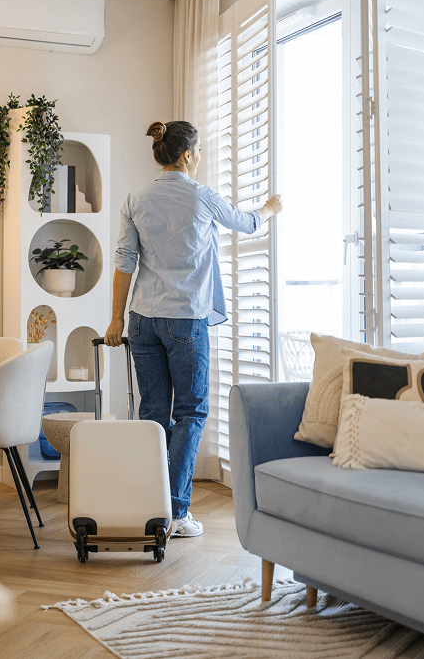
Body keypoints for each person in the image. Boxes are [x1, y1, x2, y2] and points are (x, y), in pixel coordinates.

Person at [105, 120, 283, 537]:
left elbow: (124, 263)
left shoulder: (136, 198)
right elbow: (249, 223)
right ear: (186, 154)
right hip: (185, 320)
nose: (200, 157)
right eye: (199, 150)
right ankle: (176, 512)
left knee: (153, 413)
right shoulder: (202, 197)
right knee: (190, 411)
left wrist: (116, 318)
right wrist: (271, 207)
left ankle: (150, 508)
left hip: (143, 320)